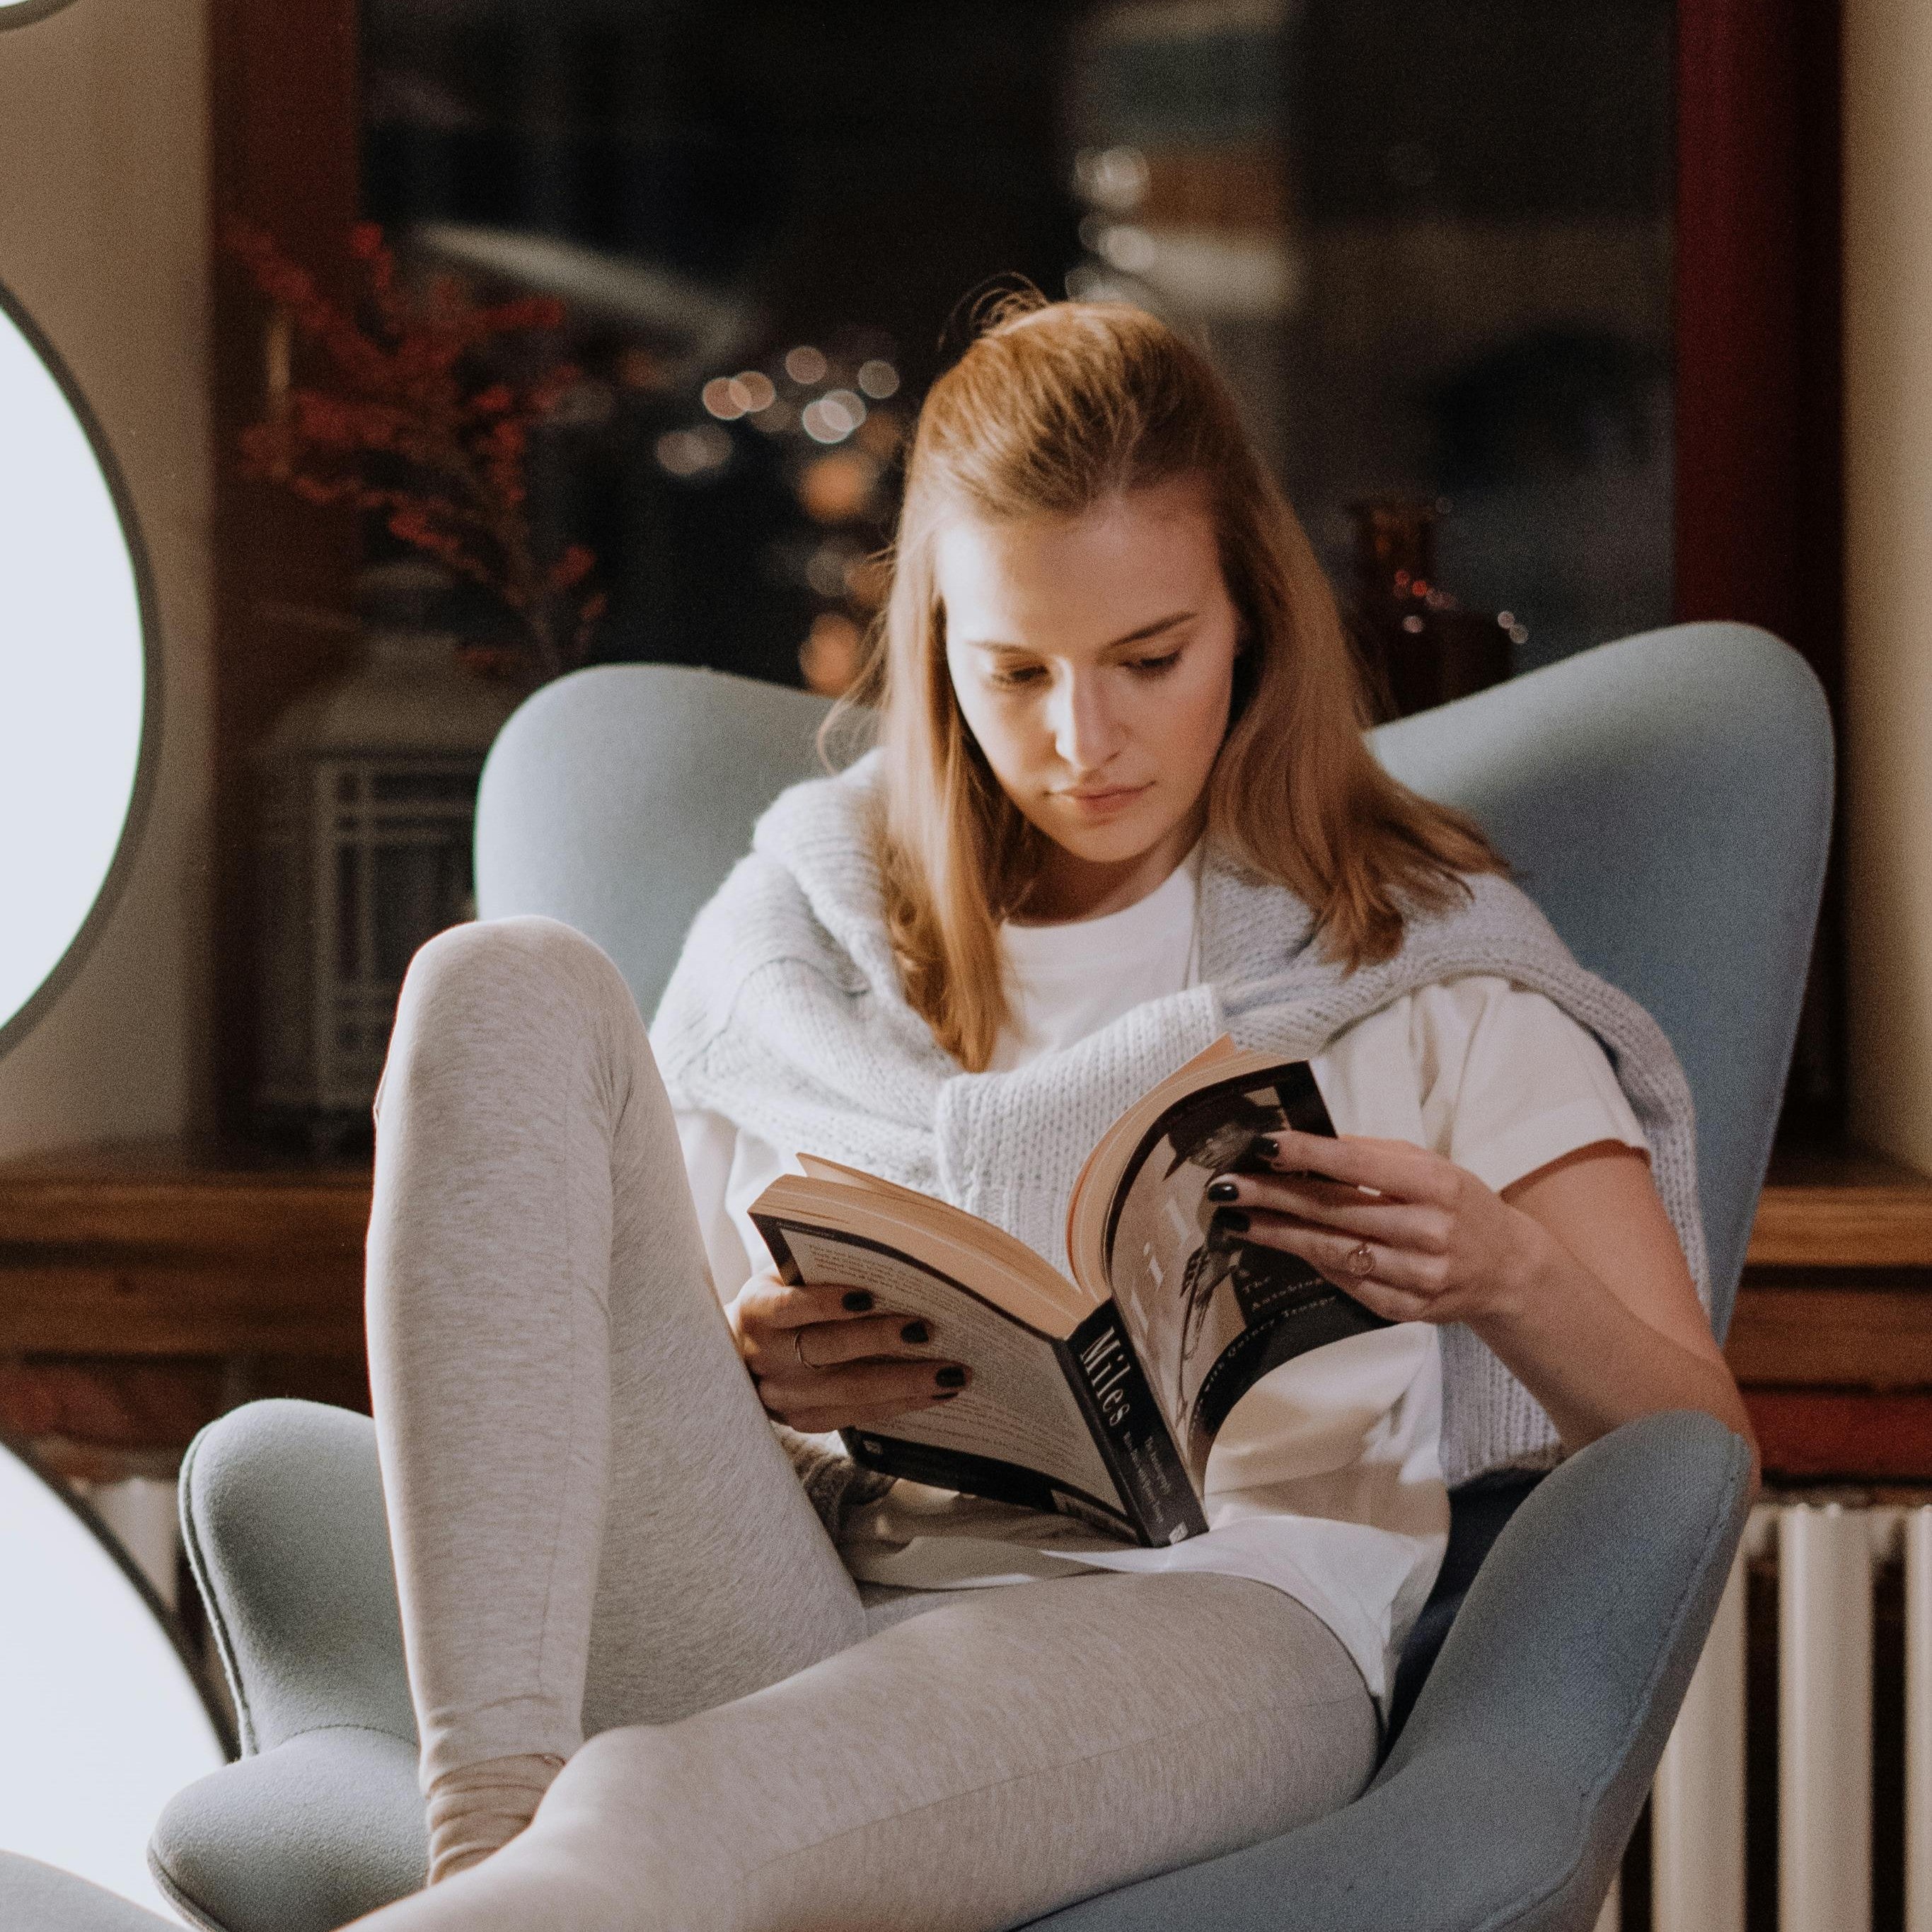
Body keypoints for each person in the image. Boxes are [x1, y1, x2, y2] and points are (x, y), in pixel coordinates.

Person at [352, 297, 1754, 1932]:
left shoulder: (1409, 948)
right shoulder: (800, 927)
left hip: (1217, 1626)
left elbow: (1695, 1443)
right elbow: (621, 1372)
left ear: (1251, 622)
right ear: (936, 646)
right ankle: (487, 1842)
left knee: (677, 1811)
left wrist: (1507, 1272)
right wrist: (757, 1374)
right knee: (497, 977)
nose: (1082, 741)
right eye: (1014, 671)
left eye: (1149, 660)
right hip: (798, 1589)